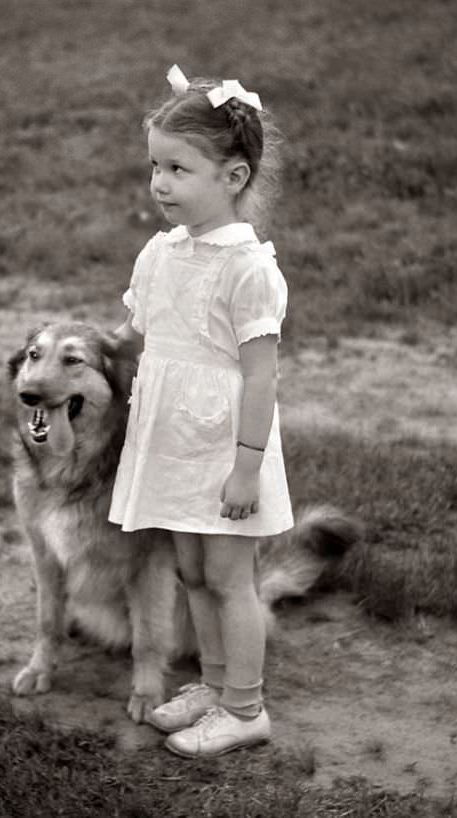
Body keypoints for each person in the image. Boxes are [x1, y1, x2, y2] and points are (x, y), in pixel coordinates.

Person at [109, 64, 293, 758]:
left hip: (224, 450)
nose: (159, 183)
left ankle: (246, 710)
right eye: (155, 167)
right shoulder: (161, 253)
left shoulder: (249, 270)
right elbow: (134, 331)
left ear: (234, 177)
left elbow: (261, 376)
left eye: (179, 169)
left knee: (227, 577)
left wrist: (247, 469)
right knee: (189, 572)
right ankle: (214, 686)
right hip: (174, 446)